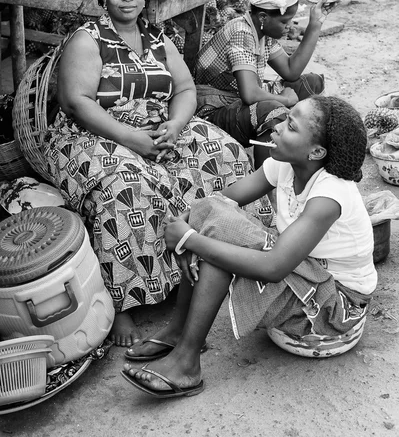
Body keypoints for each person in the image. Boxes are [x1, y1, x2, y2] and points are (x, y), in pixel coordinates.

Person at [43, 0, 274, 348]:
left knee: (225, 153)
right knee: (126, 186)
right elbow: (76, 102)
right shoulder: (88, 38)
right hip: (95, 132)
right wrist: (132, 139)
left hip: (161, 126)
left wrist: (176, 126)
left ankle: (231, 254)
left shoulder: (156, 36)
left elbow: (185, 90)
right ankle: (124, 305)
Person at [122, 95, 377, 398]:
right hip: (307, 273)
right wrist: (190, 225)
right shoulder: (283, 166)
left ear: (317, 151)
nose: (278, 128)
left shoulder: (329, 195)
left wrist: (191, 240)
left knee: (216, 247)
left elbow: (273, 268)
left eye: (291, 127)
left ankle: (186, 362)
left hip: (337, 304)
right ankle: (179, 332)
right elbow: (220, 203)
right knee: (215, 219)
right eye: (284, 119)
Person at [194, 0, 329, 168]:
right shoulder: (242, 33)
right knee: (271, 110)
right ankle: (266, 181)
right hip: (212, 111)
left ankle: (303, 143)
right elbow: (250, 95)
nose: (290, 27)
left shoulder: (262, 32)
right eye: (284, 22)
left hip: (235, 101)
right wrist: (286, 100)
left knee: (311, 83)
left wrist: (315, 25)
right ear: (264, 17)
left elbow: (291, 71)